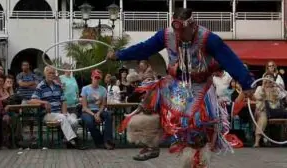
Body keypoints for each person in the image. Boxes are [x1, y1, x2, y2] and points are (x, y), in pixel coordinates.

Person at [107, 8, 254, 167]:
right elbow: (144, 48)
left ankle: (196, 162)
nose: (180, 36)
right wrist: (119, 55)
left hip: (200, 87)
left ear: (192, 26)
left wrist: (246, 83)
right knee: (149, 99)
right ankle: (151, 144)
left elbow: (230, 60)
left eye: (183, 31)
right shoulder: (166, 35)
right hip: (174, 83)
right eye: (177, 32)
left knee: (195, 125)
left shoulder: (208, 39)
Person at [29, 66, 80, 148]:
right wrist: (44, 102)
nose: (51, 75)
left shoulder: (58, 86)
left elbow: (63, 100)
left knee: (74, 121)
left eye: (53, 73)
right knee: (63, 118)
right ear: (45, 73)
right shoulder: (41, 86)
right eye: (49, 73)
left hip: (60, 113)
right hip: (48, 114)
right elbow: (32, 100)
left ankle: (67, 140)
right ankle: (73, 141)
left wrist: (64, 113)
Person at [80, 69, 114, 150]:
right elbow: (84, 107)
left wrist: (98, 114)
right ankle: (99, 141)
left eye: (99, 78)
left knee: (109, 115)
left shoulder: (103, 89)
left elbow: (103, 105)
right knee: (89, 121)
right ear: (92, 77)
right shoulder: (85, 89)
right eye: (95, 77)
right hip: (87, 111)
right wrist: (94, 115)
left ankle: (107, 140)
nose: (97, 79)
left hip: (99, 111)